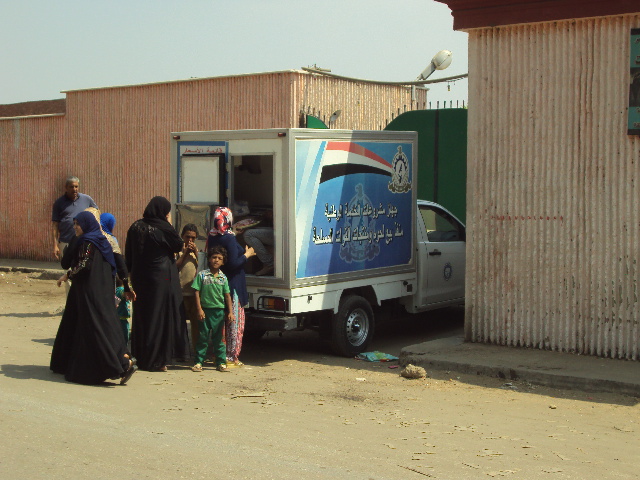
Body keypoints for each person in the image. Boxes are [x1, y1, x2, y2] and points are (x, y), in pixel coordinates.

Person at [50, 211, 137, 385]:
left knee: (96, 330)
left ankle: (122, 364)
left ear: (87, 225)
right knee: (105, 327)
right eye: (74, 224)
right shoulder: (103, 241)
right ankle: (122, 358)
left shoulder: (87, 242)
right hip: (103, 292)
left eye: (78, 224)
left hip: (90, 293)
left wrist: (69, 274)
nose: (75, 227)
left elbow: (84, 265)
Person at [125, 196, 188, 372]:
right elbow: (178, 245)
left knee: (143, 316)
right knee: (159, 317)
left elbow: (129, 254)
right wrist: (168, 223)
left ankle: (141, 357)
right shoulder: (162, 228)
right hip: (160, 279)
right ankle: (156, 360)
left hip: (140, 278)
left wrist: (128, 276)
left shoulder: (135, 226)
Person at [206, 207, 255, 366]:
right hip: (233, 285)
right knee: (234, 321)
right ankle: (231, 356)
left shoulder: (213, 235)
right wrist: (247, 255)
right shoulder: (229, 239)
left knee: (221, 323)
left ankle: (219, 354)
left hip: (220, 284)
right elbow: (234, 263)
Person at [190, 246, 234, 373]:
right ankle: (199, 362)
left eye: (219, 258)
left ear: (223, 262)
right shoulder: (202, 275)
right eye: (214, 257)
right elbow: (196, 292)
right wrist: (199, 309)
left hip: (219, 312)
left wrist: (230, 312)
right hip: (205, 311)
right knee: (203, 337)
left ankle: (221, 362)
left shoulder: (223, 278)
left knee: (219, 339)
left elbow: (227, 296)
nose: (216, 260)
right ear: (209, 259)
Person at [51, 176, 97, 293]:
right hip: (66, 242)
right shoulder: (59, 203)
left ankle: (80, 298)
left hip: (83, 242)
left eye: (76, 186)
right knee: (68, 271)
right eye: (71, 187)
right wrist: (55, 245)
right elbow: (55, 225)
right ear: (66, 188)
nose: (74, 189)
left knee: (81, 269)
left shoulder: (87, 199)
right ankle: (70, 300)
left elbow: (96, 213)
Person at [175, 224, 200, 353]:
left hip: (194, 294)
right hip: (181, 293)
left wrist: (196, 253)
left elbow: (203, 267)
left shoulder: (197, 253)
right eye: (187, 237)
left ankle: (196, 351)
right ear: (182, 236)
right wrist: (184, 253)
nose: (190, 240)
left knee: (196, 325)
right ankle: (181, 352)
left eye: (193, 238)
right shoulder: (178, 252)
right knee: (179, 324)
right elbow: (175, 267)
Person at [240, 209, 274, 276]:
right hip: (276, 230)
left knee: (248, 234)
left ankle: (269, 263)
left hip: (284, 235)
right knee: (252, 229)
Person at [115, 277, 131, 344]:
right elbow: (123, 294)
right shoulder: (121, 290)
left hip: (116, 317)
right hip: (122, 319)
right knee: (124, 337)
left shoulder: (115, 290)